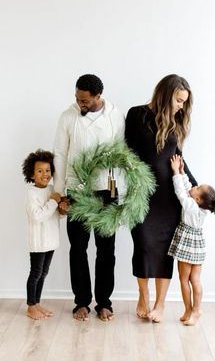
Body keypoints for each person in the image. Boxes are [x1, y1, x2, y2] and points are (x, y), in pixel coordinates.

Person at [125, 74, 197, 322]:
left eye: (184, 103)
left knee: (166, 251)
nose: (181, 106)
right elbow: (127, 153)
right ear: (166, 95)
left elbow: (179, 160)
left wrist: (195, 188)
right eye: (178, 100)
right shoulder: (136, 114)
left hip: (169, 197)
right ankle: (143, 296)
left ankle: (160, 305)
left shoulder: (176, 124)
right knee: (143, 246)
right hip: (142, 194)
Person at [53, 74, 125, 321]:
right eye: (76, 97)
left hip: (109, 189)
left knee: (107, 249)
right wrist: (60, 193)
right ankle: (81, 302)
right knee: (78, 248)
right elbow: (60, 155)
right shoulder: (68, 117)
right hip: (77, 190)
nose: (79, 102)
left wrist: (120, 194)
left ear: (97, 96)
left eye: (83, 99)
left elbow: (121, 155)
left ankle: (104, 302)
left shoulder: (115, 115)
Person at [168, 154, 215, 325]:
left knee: (184, 279)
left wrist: (176, 173)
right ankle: (196, 310)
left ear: (197, 199)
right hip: (198, 245)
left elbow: (181, 192)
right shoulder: (203, 208)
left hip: (187, 245)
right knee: (195, 280)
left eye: (198, 187)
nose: (194, 186)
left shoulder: (190, 206)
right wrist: (182, 170)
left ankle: (190, 310)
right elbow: (188, 189)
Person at [22, 149, 68, 320]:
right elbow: (37, 216)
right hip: (38, 240)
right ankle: (30, 306)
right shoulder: (31, 193)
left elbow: (55, 215)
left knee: (44, 272)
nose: (45, 174)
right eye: (40, 171)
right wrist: (53, 201)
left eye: (48, 171)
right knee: (36, 272)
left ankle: (37, 303)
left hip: (51, 240)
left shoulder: (51, 190)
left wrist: (63, 210)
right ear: (32, 174)